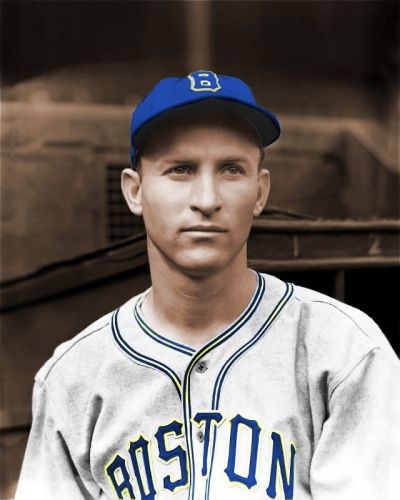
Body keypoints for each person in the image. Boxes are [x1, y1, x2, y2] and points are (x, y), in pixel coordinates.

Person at [16, 70, 400, 500]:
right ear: (134, 191)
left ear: (260, 191)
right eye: (180, 170)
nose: (207, 199)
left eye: (231, 170)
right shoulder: (73, 376)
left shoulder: (345, 352)